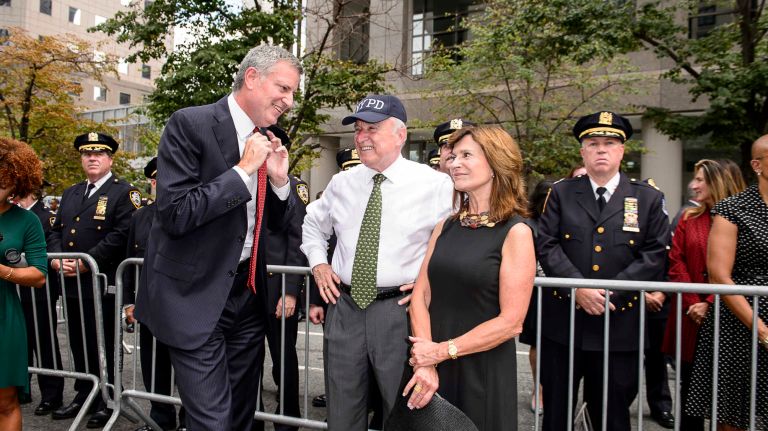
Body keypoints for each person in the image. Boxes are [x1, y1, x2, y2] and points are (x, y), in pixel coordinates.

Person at [134, 45, 299, 431]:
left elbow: (278, 225)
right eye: (284, 88)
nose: (289, 101)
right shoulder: (190, 124)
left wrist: (278, 182)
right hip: (193, 297)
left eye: (292, 93)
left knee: (241, 419)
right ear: (252, 77)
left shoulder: (268, 138)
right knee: (212, 421)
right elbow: (175, 213)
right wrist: (243, 170)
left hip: (247, 296)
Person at [301, 94, 454, 430]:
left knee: (402, 408)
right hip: (345, 307)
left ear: (400, 134)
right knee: (342, 408)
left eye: (372, 128)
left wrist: (431, 281)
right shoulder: (342, 183)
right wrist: (318, 263)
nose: (361, 137)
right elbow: (313, 226)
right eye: (358, 129)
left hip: (399, 312)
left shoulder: (436, 185)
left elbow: (452, 244)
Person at [536, 111, 670, 431]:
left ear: (622, 150)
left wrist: (612, 290)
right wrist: (579, 289)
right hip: (565, 323)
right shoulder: (562, 193)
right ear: (582, 151)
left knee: (611, 415)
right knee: (556, 412)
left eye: (609, 143)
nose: (601, 149)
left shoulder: (647, 198)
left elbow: (655, 253)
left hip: (618, 323)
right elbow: (547, 245)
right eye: (593, 143)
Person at [405, 125, 536, 430]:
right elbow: (420, 298)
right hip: (430, 365)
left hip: (482, 371)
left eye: (466, 155)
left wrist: (440, 352)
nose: (454, 163)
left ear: (496, 164)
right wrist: (427, 361)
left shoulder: (516, 233)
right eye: (452, 157)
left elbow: (511, 322)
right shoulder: (445, 227)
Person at [48, 132, 141, 428]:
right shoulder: (72, 192)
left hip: (103, 284)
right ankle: (84, 394)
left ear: (110, 159)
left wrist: (88, 262)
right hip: (72, 284)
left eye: (99, 154)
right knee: (78, 341)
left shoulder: (124, 192)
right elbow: (56, 230)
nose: (92, 158)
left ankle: (108, 397)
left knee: (105, 344)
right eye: (87, 154)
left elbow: (122, 234)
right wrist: (59, 257)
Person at [686, 136, 768, 430]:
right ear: (757, 165)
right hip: (738, 322)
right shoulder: (733, 209)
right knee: (732, 415)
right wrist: (760, 329)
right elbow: (720, 275)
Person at [663, 159, 745, 431]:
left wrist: (710, 303)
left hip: (730, 316)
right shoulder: (689, 218)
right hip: (690, 318)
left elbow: (742, 269)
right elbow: (677, 262)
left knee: (730, 394)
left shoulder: (741, 218)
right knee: (689, 390)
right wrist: (693, 303)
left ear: (719, 182)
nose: (693, 185)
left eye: (700, 180)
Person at [123, 157, 185, 431]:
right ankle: (160, 420)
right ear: (153, 182)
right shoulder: (139, 216)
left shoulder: (191, 210)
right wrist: (128, 302)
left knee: (187, 370)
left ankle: (190, 421)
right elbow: (127, 262)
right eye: (159, 178)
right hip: (149, 305)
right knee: (152, 366)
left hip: (185, 305)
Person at [0, 137, 48, 431]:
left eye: (4, 180)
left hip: (4, 317)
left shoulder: (26, 221)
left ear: (17, 182)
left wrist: (2, 270)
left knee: (5, 401)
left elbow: (39, 275)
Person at [15, 188, 65, 416]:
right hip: (14, 288)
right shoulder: (13, 214)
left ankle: (51, 395)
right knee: (19, 341)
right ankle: (20, 386)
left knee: (44, 340)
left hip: (39, 289)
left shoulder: (45, 216)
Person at [518, 179, 553, 415]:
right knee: (537, 344)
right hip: (538, 294)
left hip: (562, 295)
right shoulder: (529, 224)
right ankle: (538, 389)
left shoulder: (562, 223)